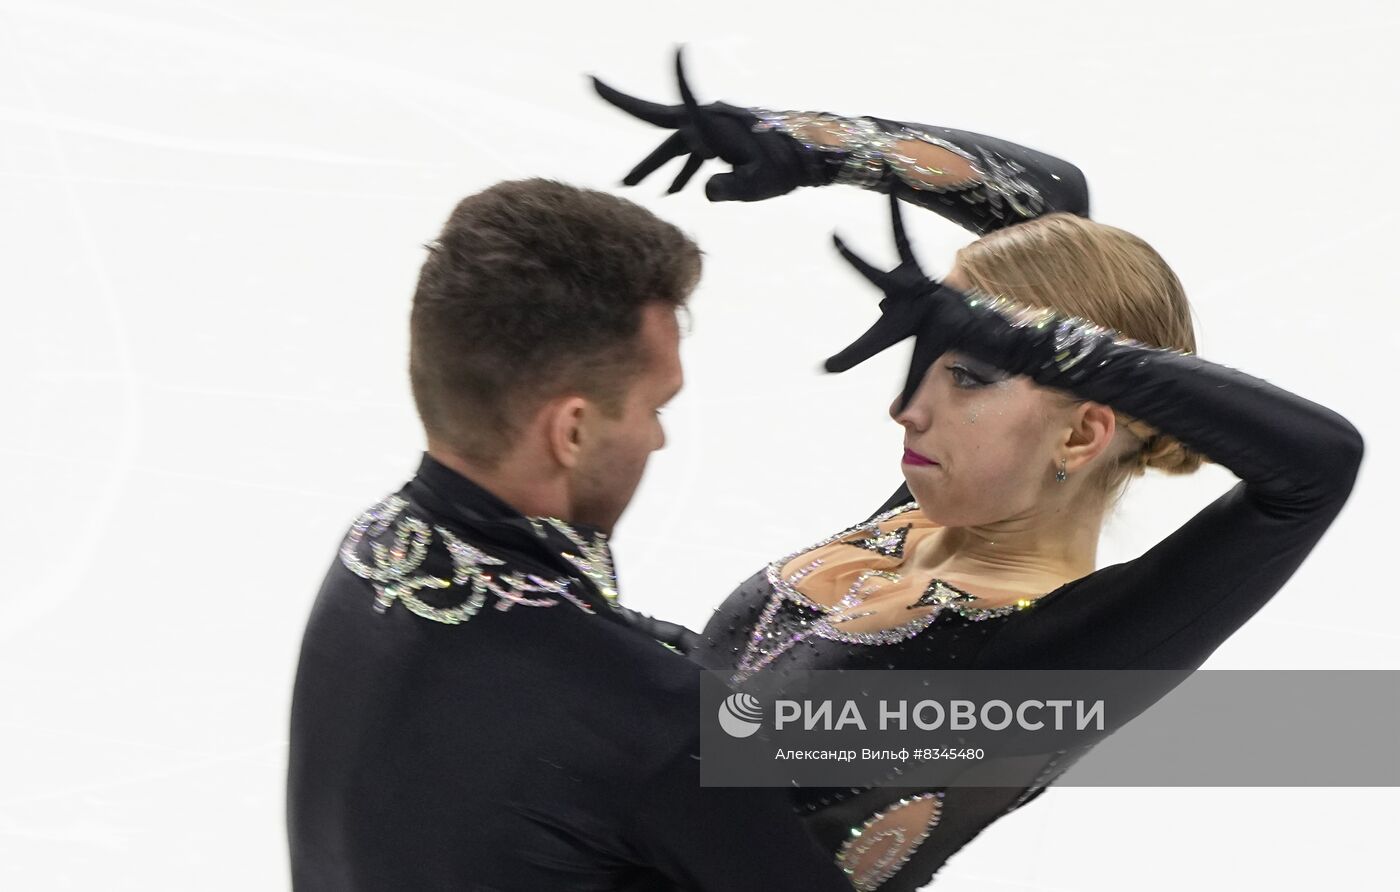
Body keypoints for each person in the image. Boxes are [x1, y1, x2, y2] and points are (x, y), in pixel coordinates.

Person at [592, 54, 1366, 889]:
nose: (907, 408)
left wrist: (1027, 340)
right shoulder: (937, 517)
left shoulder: (1058, 657)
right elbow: (1050, 199)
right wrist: (811, 144)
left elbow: (1316, 466)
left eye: (966, 374)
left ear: (1082, 434)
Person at [286, 178, 855, 891]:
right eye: (655, 407)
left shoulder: (375, 548)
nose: (658, 439)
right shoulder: (655, 722)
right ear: (573, 430)